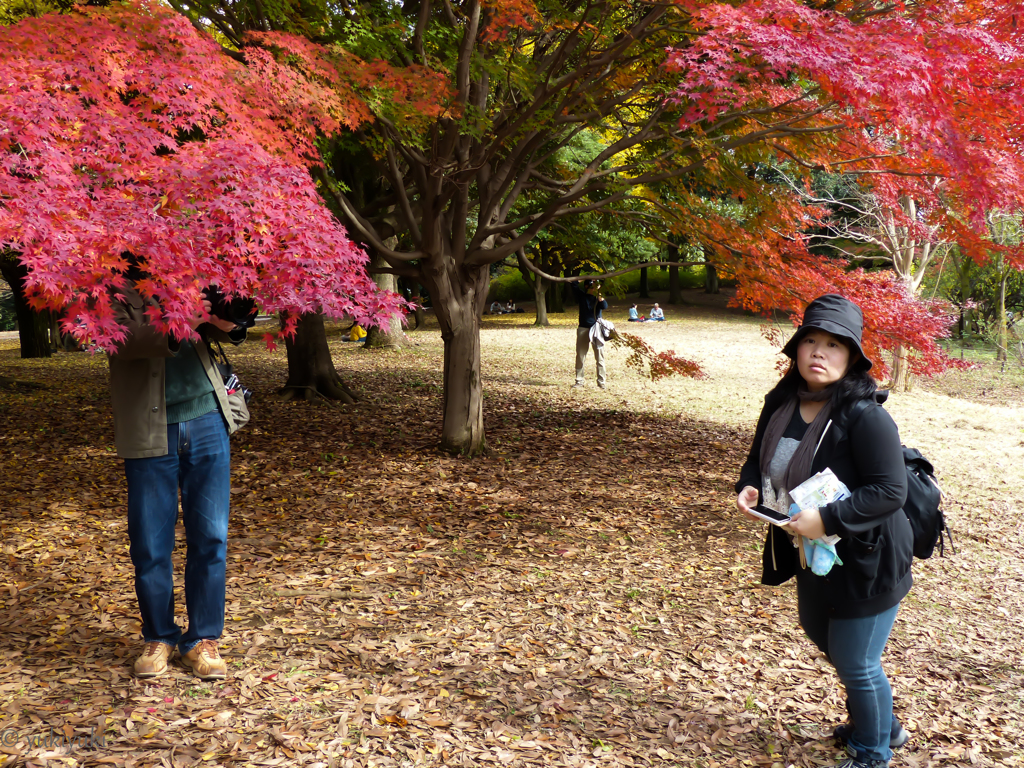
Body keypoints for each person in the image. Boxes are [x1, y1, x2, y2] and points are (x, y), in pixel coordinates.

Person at [735, 294, 912, 768]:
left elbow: (890, 491)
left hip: (867, 556)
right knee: (821, 633)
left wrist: (828, 519)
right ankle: (882, 723)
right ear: (796, 350)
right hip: (812, 550)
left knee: (857, 661)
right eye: (810, 340)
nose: (819, 351)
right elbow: (758, 459)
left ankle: (873, 750)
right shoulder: (782, 402)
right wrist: (751, 486)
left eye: (834, 344)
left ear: (851, 356)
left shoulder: (865, 414)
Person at [109, 281, 249, 681]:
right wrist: (181, 319)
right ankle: (159, 636)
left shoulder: (189, 263)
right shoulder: (108, 278)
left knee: (211, 537)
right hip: (148, 425)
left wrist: (227, 319)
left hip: (208, 419)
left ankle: (203, 639)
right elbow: (122, 339)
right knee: (150, 542)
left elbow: (223, 325)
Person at [570, 279, 609, 388]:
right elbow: (573, 284)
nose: (593, 288)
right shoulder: (582, 296)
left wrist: (598, 292)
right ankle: (579, 381)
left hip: (596, 329)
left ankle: (601, 382)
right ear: (587, 287)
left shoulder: (598, 299)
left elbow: (604, 306)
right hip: (583, 329)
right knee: (581, 356)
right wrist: (583, 278)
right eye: (591, 286)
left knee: (600, 357)